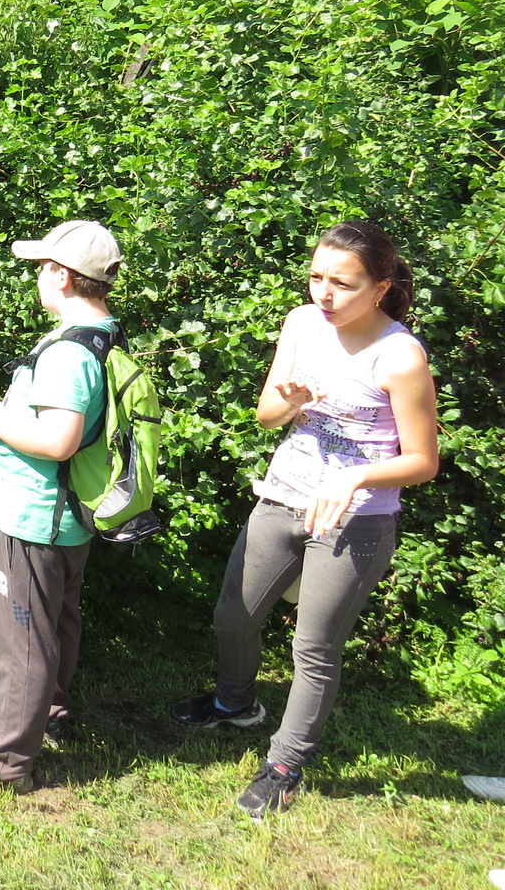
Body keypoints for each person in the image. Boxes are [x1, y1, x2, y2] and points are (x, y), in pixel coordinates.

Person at [171, 220, 438, 820]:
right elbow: (268, 415)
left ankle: (285, 764)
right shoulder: (301, 324)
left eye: (342, 283)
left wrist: (356, 477)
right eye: (317, 276)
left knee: (313, 647)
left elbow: (423, 461)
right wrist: (290, 399)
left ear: (380, 288)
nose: (324, 293)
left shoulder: (399, 355)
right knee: (232, 615)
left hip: (356, 522)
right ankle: (235, 703)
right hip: (283, 496)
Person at [0, 220, 125, 792]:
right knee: (55, 624)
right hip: (69, 517)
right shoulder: (104, 334)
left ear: (64, 277)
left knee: (19, 634)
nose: (38, 277)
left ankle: (3, 755)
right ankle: (51, 714)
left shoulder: (69, 353)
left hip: (37, 516)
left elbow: (59, 439)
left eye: (43, 268)